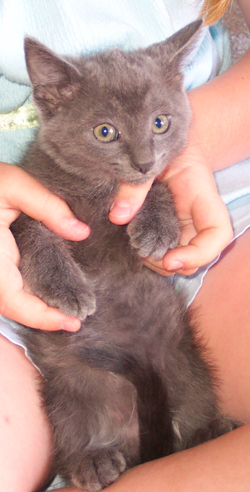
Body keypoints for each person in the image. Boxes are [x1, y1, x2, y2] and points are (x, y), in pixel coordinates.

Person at [1, 0, 250, 490]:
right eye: (107, 134)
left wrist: (185, 156)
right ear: (52, 99)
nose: (142, 158)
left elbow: (155, 164)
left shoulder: (160, 147)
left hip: (211, 191)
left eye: (158, 125)